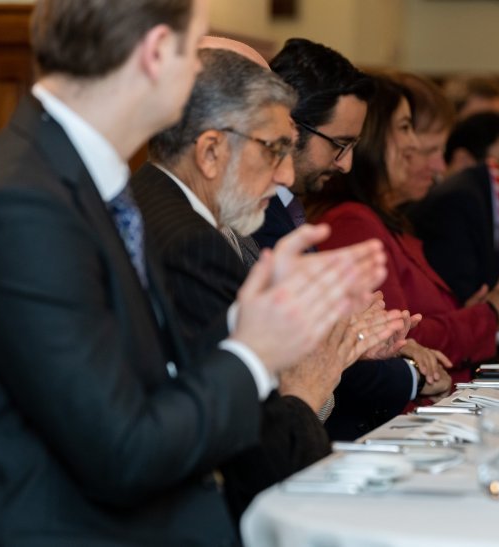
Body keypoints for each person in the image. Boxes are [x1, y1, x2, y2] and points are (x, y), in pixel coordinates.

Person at [0, 2, 388, 545]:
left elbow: (144, 392)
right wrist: (254, 350)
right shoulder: (27, 204)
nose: (202, 70)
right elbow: (121, 450)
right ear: (158, 52)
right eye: (194, 49)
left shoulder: (77, 176)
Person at [132, 44, 409, 519]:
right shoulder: (192, 246)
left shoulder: (166, 210)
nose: (284, 175)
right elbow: (259, 461)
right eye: (275, 150)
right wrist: (311, 385)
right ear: (212, 151)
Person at [256, 37, 452, 440]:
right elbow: (312, 358)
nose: (345, 165)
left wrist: (385, 344)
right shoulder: (258, 218)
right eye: (340, 145)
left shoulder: (286, 209)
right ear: (290, 128)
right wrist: (411, 372)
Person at [306, 75, 499, 381]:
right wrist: (489, 316)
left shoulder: (387, 221)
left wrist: (479, 313)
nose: (415, 147)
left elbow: (416, 324)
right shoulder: (353, 223)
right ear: (373, 137)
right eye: (406, 130)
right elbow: (395, 339)